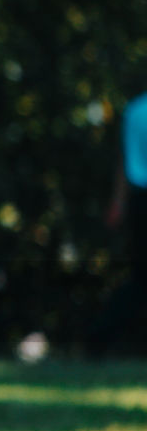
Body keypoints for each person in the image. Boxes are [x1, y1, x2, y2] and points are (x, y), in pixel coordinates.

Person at [89, 92, 147, 355]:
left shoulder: (134, 109)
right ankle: (101, 338)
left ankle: (101, 338)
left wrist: (118, 203)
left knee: (140, 279)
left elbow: (124, 161)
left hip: (139, 202)